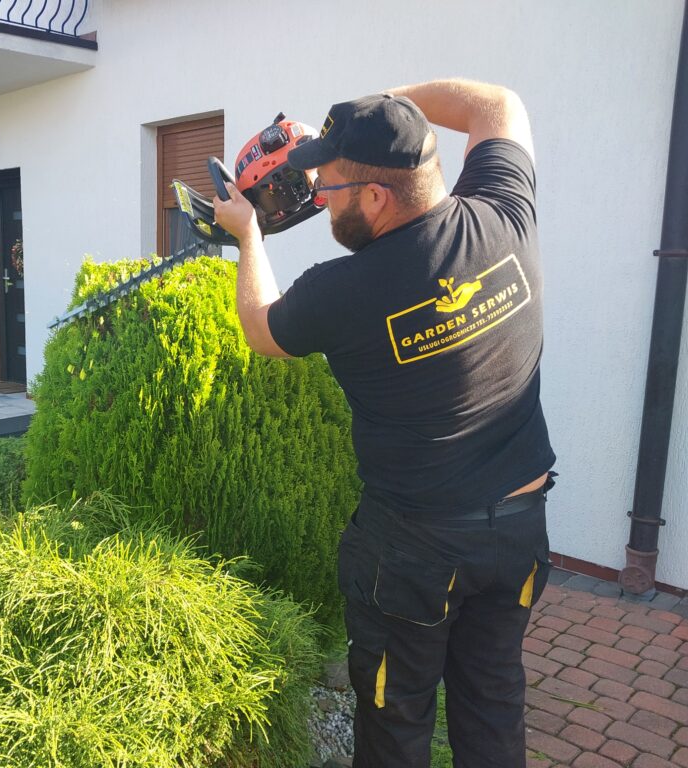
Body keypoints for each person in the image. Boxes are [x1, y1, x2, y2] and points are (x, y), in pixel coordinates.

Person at [213, 79, 557, 768]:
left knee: (394, 724)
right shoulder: (502, 214)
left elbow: (259, 328)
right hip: (518, 533)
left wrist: (248, 234)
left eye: (329, 184)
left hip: (413, 553)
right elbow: (500, 105)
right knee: (493, 704)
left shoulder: (342, 292)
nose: (318, 195)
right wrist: (376, 111)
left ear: (375, 197)